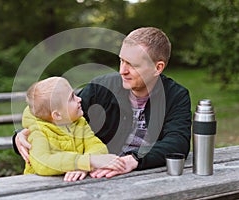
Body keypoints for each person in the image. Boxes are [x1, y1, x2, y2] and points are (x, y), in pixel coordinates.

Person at [13, 27, 192, 179]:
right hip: (96, 177)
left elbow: (177, 143)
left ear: (157, 67)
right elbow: (53, 108)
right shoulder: (102, 87)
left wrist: (134, 160)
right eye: (121, 60)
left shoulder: (176, 96)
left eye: (132, 65)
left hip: (148, 175)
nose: (122, 70)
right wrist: (21, 134)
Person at [22, 77, 125, 182]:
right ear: (57, 115)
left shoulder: (79, 122)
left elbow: (97, 146)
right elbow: (43, 163)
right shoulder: (37, 132)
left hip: (72, 183)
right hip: (39, 187)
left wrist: (84, 165)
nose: (79, 99)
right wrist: (87, 161)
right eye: (72, 98)